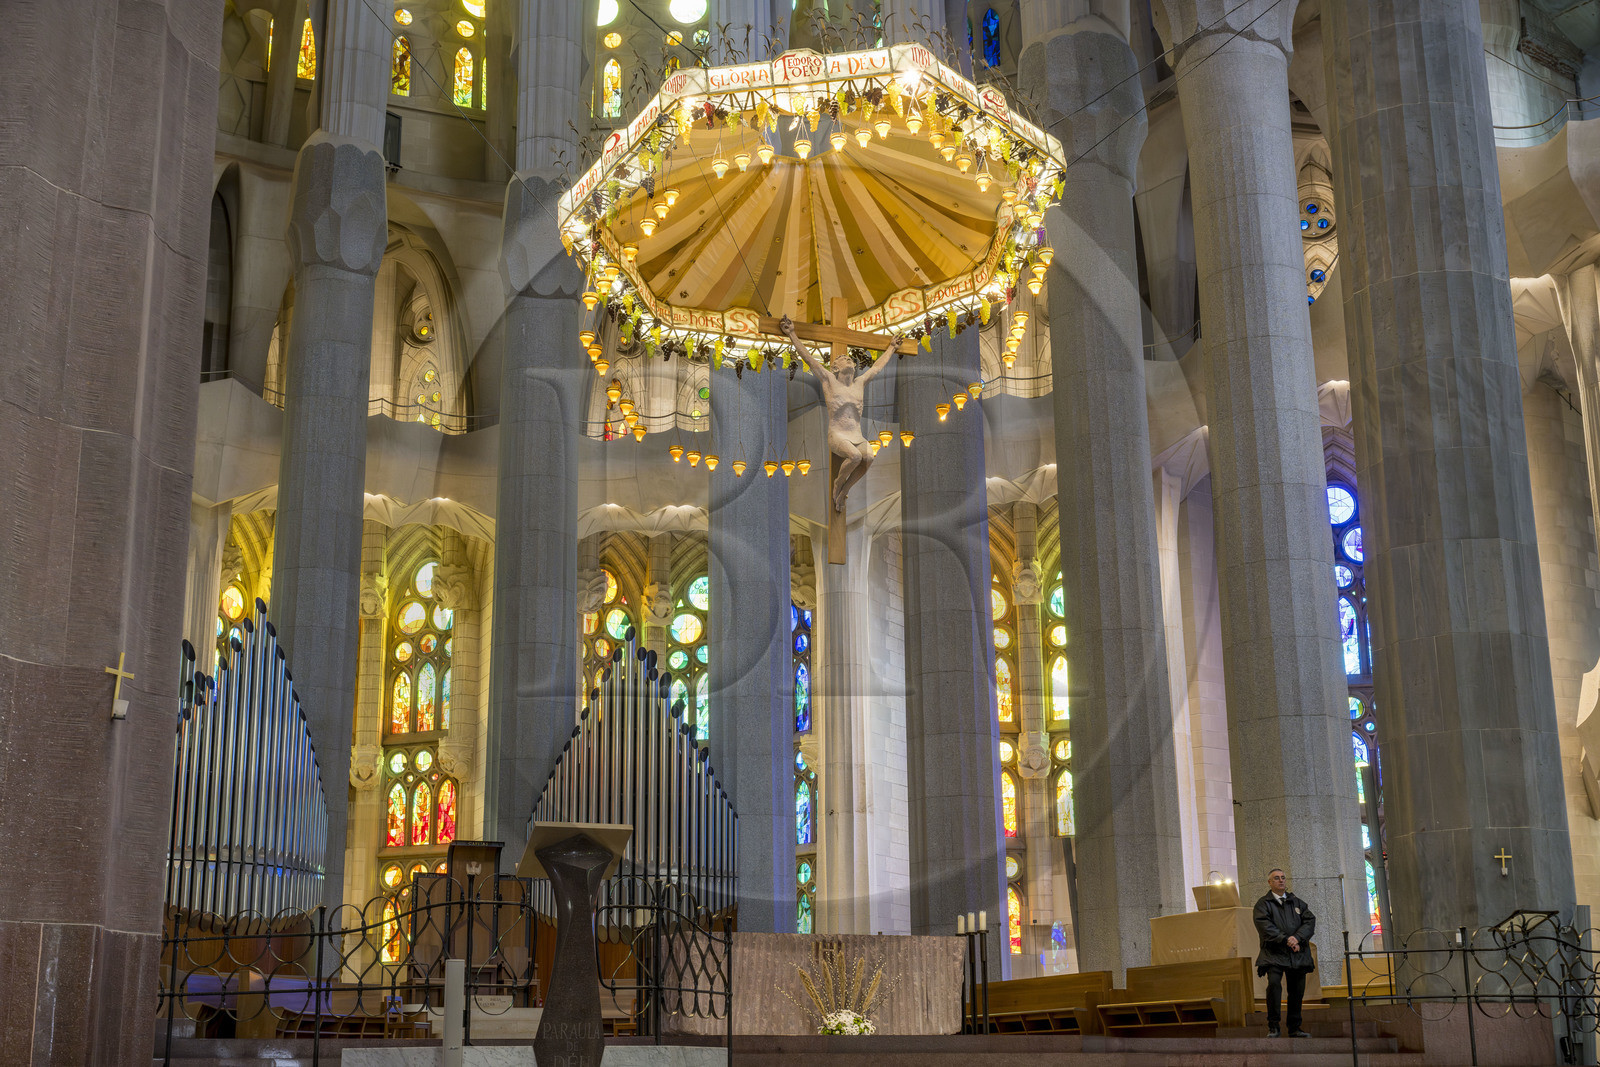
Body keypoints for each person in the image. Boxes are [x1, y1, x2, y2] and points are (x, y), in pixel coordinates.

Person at [779, 315, 898, 513]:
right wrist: (792, 333)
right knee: (854, 457)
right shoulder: (829, 380)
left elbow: (876, 368)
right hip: (838, 435)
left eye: (850, 358)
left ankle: (844, 490)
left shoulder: (859, 383)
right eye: (844, 359)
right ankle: (838, 483)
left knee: (868, 456)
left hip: (857, 435)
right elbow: (808, 358)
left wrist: (892, 347)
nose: (849, 360)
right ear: (835, 368)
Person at [1253, 867, 1315, 1038]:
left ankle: (1294, 1028)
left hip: (1297, 954)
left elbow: (1309, 921)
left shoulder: (1297, 902)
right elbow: (1265, 927)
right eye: (1276, 878)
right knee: (1274, 985)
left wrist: (1298, 938)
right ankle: (1273, 1026)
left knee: (1296, 991)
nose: (1281, 880)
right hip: (1274, 954)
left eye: (1283, 878)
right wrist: (1287, 939)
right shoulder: (1263, 904)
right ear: (1269, 882)